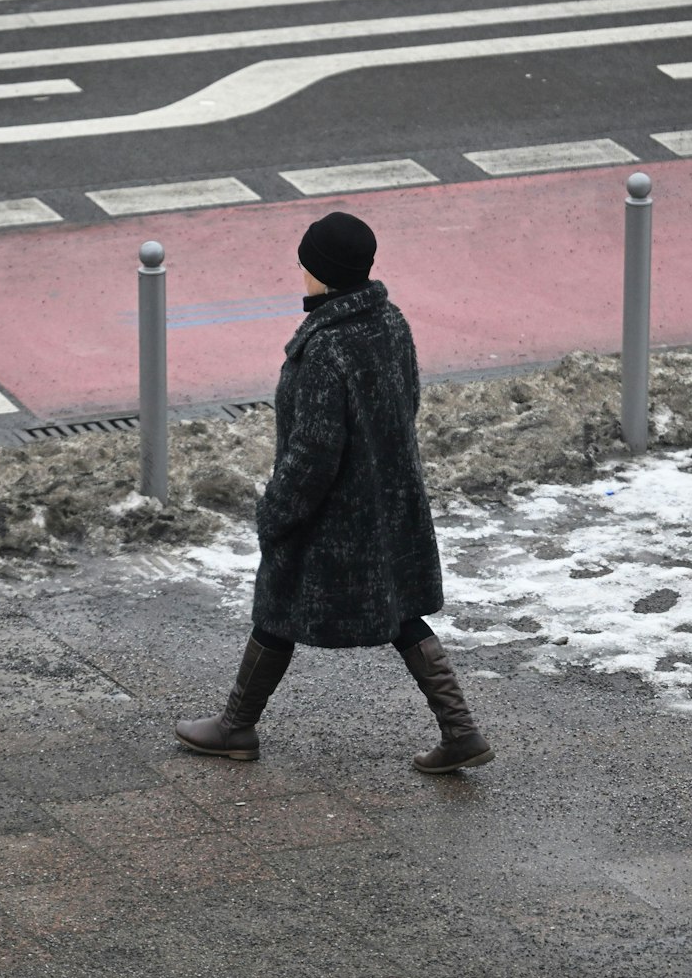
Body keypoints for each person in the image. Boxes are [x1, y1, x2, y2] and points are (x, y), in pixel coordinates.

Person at [175, 211, 495, 774]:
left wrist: (277, 513)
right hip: (386, 501)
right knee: (397, 614)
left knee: (278, 607)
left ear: (322, 273)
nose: (301, 271)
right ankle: (460, 730)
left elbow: (313, 452)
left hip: (334, 515)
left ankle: (235, 726)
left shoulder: (326, 348)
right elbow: (406, 406)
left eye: (306, 263)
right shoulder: (389, 323)